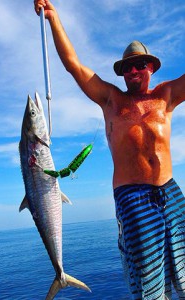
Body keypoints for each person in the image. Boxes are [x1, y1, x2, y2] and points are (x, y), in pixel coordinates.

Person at [34, 1, 185, 299]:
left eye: (140, 65)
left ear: (151, 67)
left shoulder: (166, 96)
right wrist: (53, 18)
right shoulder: (111, 101)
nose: (133, 71)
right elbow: (73, 66)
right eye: (127, 67)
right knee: (148, 284)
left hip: (171, 192)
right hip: (133, 199)